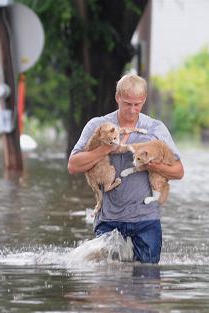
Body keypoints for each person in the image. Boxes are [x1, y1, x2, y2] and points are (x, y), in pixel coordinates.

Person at [67, 74, 184, 263]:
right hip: (108, 219)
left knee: (147, 283)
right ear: (117, 98)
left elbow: (178, 171)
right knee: (106, 283)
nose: (132, 109)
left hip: (146, 220)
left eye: (137, 104)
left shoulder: (155, 128)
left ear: (144, 100)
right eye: (127, 103)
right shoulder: (99, 126)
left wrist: (153, 165)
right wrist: (106, 149)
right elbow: (73, 166)